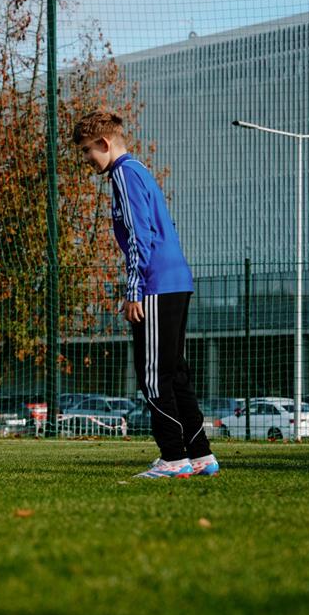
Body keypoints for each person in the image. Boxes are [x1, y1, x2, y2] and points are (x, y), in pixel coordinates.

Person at [72, 111, 218, 478]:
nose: (87, 159)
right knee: (175, 372)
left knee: (154, 374)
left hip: (156, 284)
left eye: (88, 151)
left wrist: (134, 289)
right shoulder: (137, 170)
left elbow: (141, 236)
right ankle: (200, 455)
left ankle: (173, 458)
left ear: (105, 144)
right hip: (175, 280)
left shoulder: (123, 173)